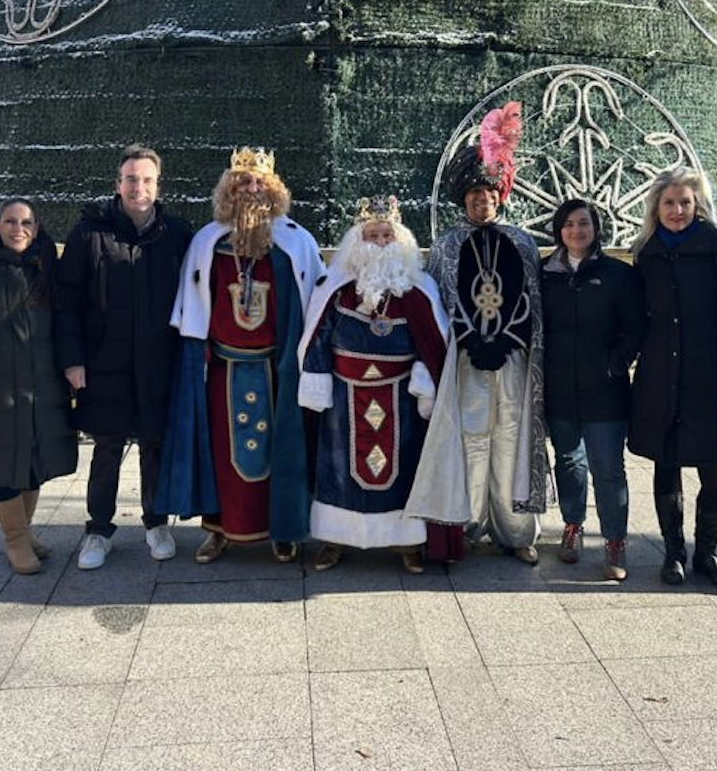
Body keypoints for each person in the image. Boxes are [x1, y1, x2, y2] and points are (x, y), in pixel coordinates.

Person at [159, 147, 324, 563]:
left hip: (276, 368)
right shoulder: (208, 241)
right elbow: (194, 307)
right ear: (229, 191)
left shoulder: (295, 242)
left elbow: (316, 302)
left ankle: (281, 530)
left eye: (259, 183)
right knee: (218, 455)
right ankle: (218, 531)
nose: (251, 189)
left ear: (273, 190)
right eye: (243, 183)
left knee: (280, 452)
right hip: (222, 368)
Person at [422, 104, 549, 564]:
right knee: (471, 439)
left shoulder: (522, 242)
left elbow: (530, 302)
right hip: (466, 360)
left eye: (489, 194)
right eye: (474, 195)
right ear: (464, 201)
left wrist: (508, 341)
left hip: (512, 360)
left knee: (512, 437)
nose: (482, 201)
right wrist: (472, 340)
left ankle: (517, 531)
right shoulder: (447, 246)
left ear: (501, 197)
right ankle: (469, 524)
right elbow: (437, 301)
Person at [56, 145, 193, 569]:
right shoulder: (90, 233)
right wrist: (73, 360)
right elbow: (68, 301)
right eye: (131, 179)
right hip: (105, 361)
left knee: (155, 443)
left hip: (159, 361)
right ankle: (98, 530)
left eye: (147, 179)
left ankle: (156, 522)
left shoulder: (177, 234)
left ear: (158, 185)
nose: (139, 187)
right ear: (118, 184)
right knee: (107, 446)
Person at [298, 196, 451, 573]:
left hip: (400, 395)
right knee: (337, 469)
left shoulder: (419, 289)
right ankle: (335, 537)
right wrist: (315, 381)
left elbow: (434, 342)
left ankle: (406, 541)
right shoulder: (335, 288)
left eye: (387, 235)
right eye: (373, 235)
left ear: (400, 242)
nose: (381, 242)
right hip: (343, 393)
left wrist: (424, 376)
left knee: (404, 468)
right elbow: (317, 335)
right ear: (357, 241)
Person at [628, 167, 717, 591]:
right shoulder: (646, 252)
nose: (677, 211)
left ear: (698, 205)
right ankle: (673, 552)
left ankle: (707, 553)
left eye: (685, 202)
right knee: (667, 463)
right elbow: (637, 316)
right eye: (669, 203)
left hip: (711, 374)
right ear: (655, 208)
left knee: (715, 469)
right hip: (661, 374)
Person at [0, 199, 77, 574]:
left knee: (34, 456)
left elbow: (65, 317)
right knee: (3, 459)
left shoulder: (46, 263)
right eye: (10, 222)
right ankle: (14, 540)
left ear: (37, 226)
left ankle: (25, 532)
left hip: (43, 378)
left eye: (26, 222)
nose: (18, 229)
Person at [539, 199, 644, 579]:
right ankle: (572, 526)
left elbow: (635, 329)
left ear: (595, 228)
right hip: (560, 389)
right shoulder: (544, 273)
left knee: (608, 468)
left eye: (583, 224)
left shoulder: (618, 274)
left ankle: (615, 541)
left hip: (606, 390)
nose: (576, 231)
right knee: (568, 461)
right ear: (558, 230)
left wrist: (613, 365)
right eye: (568, 225)